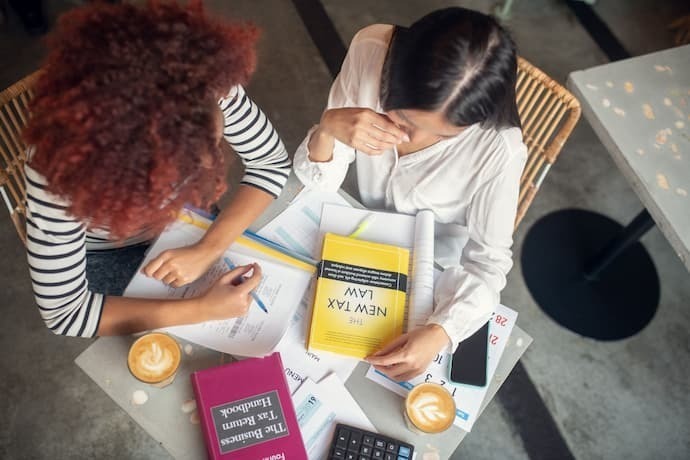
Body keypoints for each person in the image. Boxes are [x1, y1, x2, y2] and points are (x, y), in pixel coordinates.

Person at [24, 1, 291, 337]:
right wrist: (200, 310)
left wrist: (208, 247)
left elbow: (271, 162)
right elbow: (66, 312)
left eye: (213, 142)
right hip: (108, 252)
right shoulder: (57, 174)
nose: (211, 164)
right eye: (186, 163)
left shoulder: (200, 82)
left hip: (186, 225)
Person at [293, 7, 527, 381]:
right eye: (402, 119)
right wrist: (328, 128)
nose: (411, 139)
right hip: (361, 228)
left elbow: (488, 266)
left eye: (443, 136)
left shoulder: (499, 151)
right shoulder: (371, 50)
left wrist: (441, 332)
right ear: (396, 75)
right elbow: (315, 186)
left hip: (433, 263)